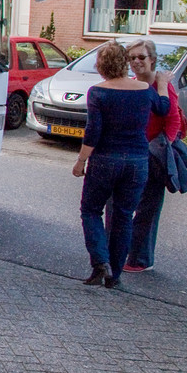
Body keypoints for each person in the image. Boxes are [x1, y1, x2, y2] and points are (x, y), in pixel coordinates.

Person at [73, 40, 169, 287]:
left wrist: (81, 160)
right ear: (125, 63)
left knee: (91, 210)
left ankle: (100, 262)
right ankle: (114, 276)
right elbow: (163, 107)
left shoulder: (99, 92)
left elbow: (93, 132)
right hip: (138, 161)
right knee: (124, 216)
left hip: (105, 159)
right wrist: (163, 85)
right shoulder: (144, 90)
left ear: (101, 65)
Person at [123, 40, 185, 273]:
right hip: (131, 153)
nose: (137, 62)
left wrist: (162, 148)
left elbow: (173, 120)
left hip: (152, 154)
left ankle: (140, 260)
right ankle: (122, 252)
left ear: (152, 60)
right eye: (132, 58)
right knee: (126, 205)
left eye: (141, 57)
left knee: (148, 209)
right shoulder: (130, 85)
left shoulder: (162, 87)